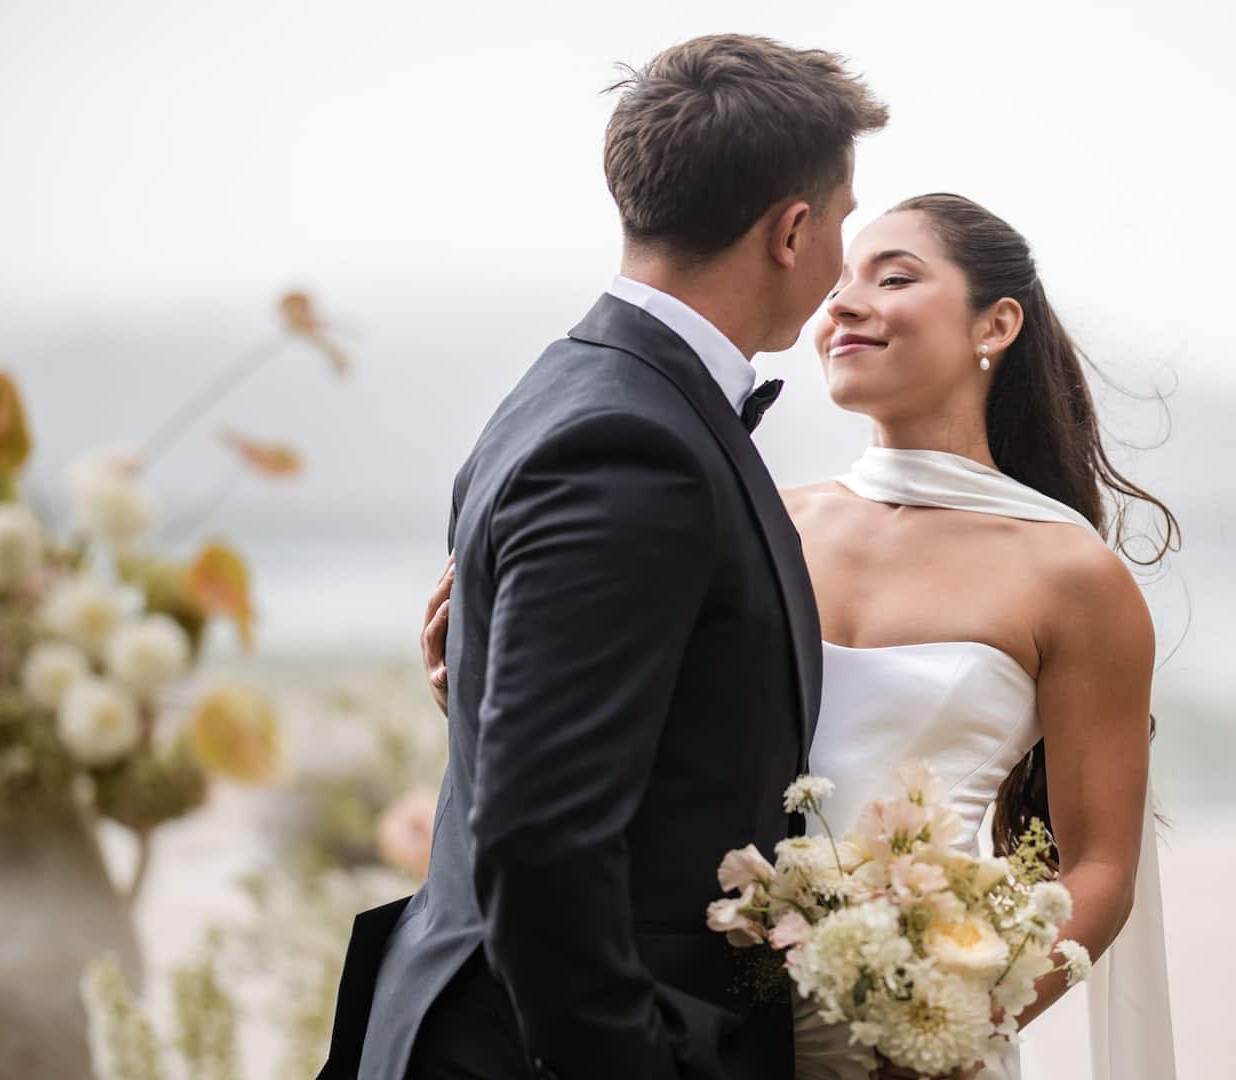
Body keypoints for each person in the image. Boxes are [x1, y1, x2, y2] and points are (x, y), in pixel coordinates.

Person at [419, 193, 1180, 1079]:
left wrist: (945, 1027)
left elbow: (1099, 867)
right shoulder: (760, 522)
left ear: (997, 323)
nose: (843, 304)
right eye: (841, 279)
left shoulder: (1074, 576)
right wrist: (478, 692)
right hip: (700, 1023)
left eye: (893, 278)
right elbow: (635, 748)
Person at [318, 33, 887, 1080]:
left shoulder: (574, 383)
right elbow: (540, 838)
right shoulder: (632, 444)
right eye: (844, 221)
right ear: (791, 230)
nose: (842, 256)